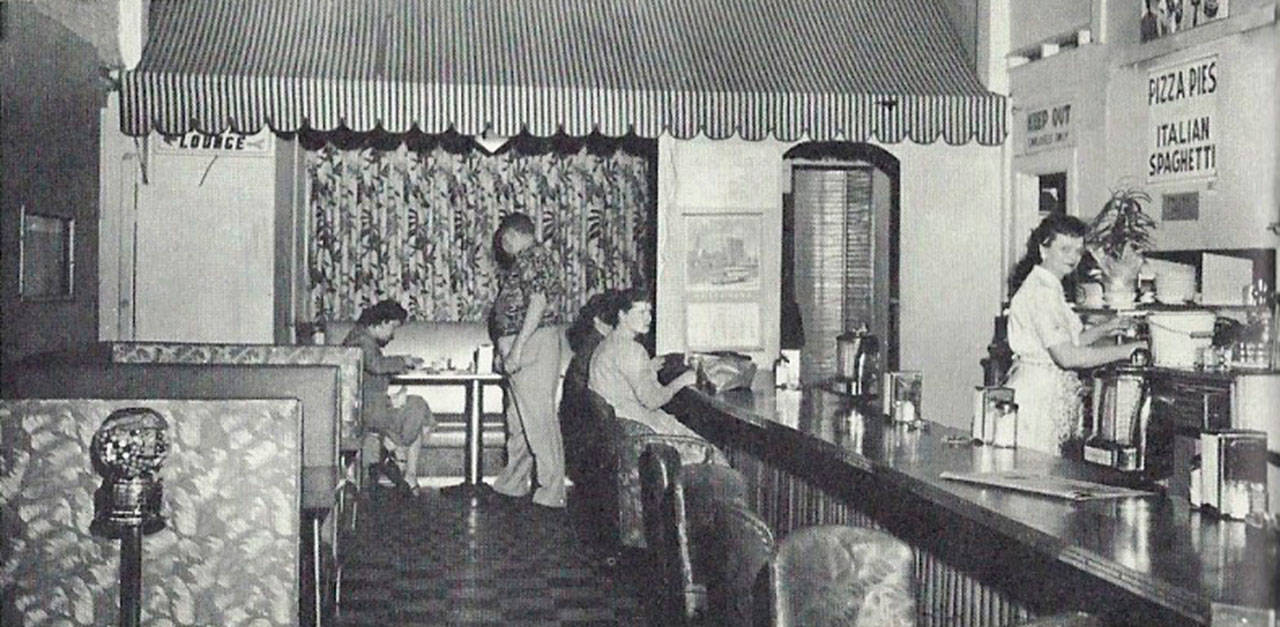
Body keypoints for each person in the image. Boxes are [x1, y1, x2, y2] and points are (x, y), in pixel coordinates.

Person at [1005, 214, 1148, 456]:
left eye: (1078, 251)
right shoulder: (1040, 292)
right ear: (1043, 249)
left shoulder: (1050, 286)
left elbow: (1070, 342)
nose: (1073, 257)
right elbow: (1067, 356)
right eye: (1065, 249)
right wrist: (1127, 350)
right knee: (1035, 476)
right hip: (1035, 398)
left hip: (1045, 390)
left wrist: (1106, 327)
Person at [490, 212, 567, 509]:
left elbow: (537, 303)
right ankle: (513, 483)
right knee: (519, 420)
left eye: (503, 238)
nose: (502, 244)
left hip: (532, 344)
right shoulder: (526, 259)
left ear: (511, 234)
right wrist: (504, 347)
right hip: (522, 344)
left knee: (538, 420)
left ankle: (552, 491)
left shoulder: (533, 257)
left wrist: (517, 349)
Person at [343, 300, 434, 495]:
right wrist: (404, 361)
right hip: (367, 411)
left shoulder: (360, 337)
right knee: (417, 406)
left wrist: (391, 398)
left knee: (415, 408)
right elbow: (376, 365)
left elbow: (370, 377)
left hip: (369, 406)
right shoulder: (361, 340)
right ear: (382, 322)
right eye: (392, 327)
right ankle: (399, 457)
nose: (393, 335)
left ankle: (396, 455)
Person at [588, 287, 702, 439]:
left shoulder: (608, 343)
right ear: (622, 315)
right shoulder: (632, 350)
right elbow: (652, 401)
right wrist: (684, 380)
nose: (648, 318)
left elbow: (622, 380)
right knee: (714, 454)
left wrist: (647, 369)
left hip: (621, 430)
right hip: (640, 432)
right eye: (641, 312)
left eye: (649, 311)